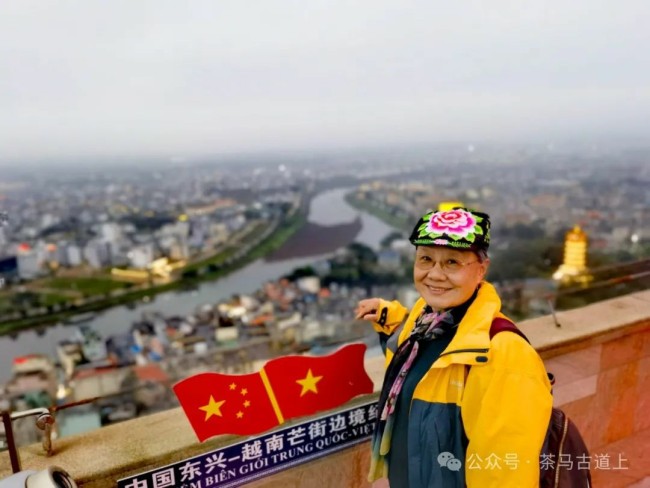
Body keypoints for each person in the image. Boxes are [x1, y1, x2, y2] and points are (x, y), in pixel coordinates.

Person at [355, 207, 552, 488]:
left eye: (452, 263)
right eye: (426, 259)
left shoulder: (504, 356)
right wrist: (388, 315)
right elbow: (416, 346)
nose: (435, 274)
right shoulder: (424, 318)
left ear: (481, 269)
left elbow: (504, 475)